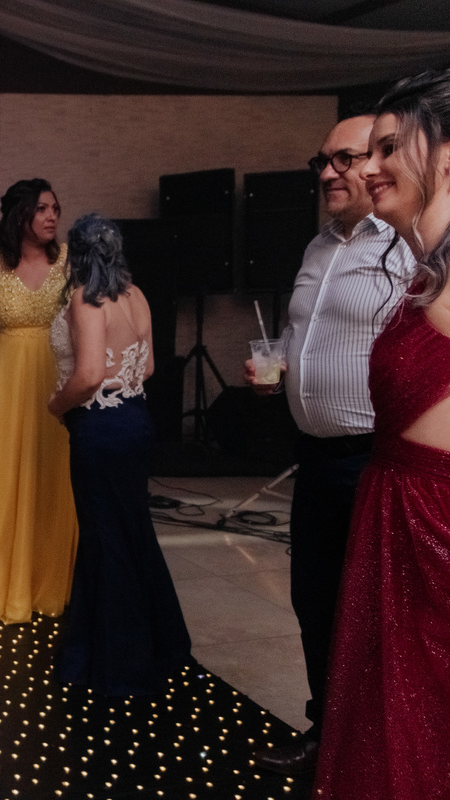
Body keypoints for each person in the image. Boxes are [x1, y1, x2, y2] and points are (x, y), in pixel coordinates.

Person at [243, 115, 416, 776]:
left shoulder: (406, 245)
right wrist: (280, 367)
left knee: (374, 612)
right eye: (322, 161)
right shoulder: (317, 246)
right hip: (313, 458)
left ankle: (378, 744)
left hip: (375, 456)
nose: (327, 174)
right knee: (314, 601)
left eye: (342, 159)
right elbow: (302, 334)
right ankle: (327, 732)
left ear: (380, 163)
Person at [314, 68, 450, 799]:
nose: (369, 168)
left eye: (389, 148)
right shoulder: (429, 271)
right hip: (397, 524)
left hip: (434, 537)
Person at [46, 214, 191, 695]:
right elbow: (146, 367)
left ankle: (116, 658)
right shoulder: (135, 295)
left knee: (104, 537)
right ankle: (156, 642)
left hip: (100, 427)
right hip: (135, 421)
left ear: (77, 254)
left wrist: (56, 405)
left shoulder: (87, 299)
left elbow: (88, 375)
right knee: (132, 531)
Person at [0, 178, 78, 624]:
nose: (52, 217)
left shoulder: (69, 262)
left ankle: (48, 583)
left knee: (53, 476)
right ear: (20, 215)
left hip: (56, 378)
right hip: (6, 382)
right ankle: (3, 582)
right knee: (7, 475)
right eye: (42, 209)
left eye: (55, 209)